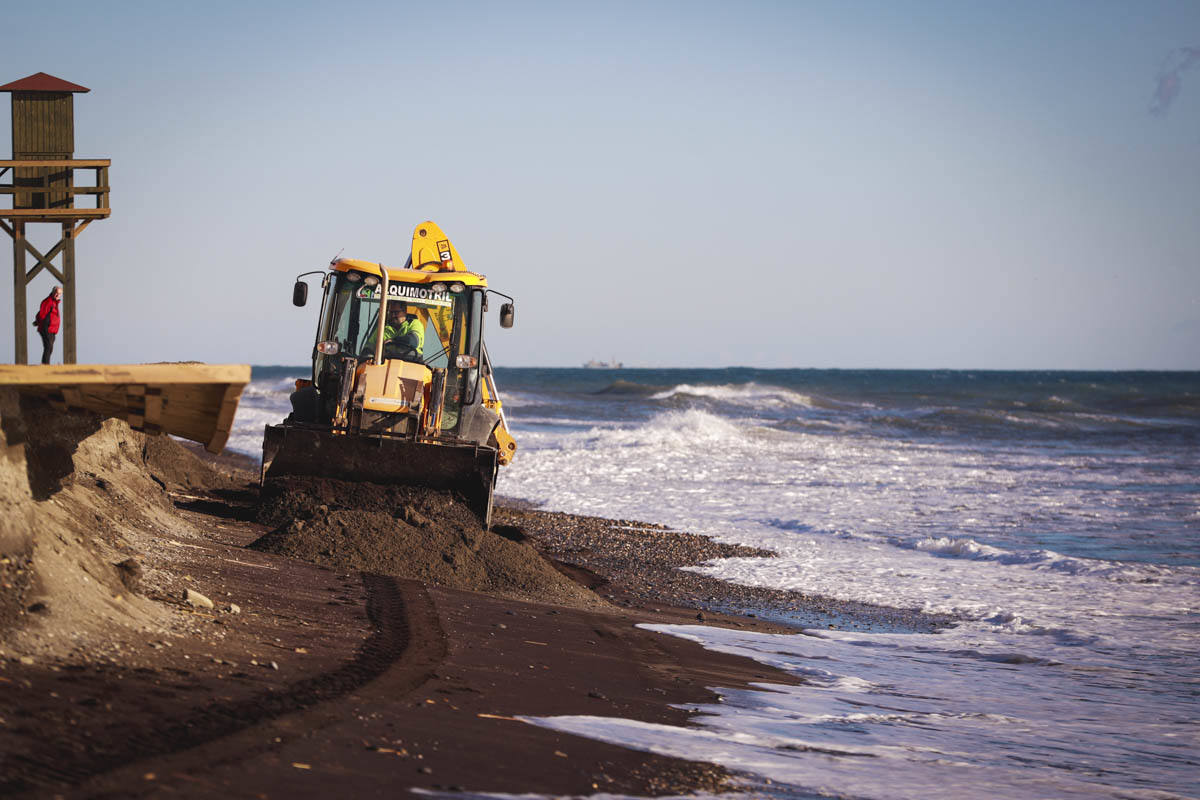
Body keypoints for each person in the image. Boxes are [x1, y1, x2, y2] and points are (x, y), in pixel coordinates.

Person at [32, 286, 62, 365]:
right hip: (46, 328)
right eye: (56, 293)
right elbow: (42, 314)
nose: (57, 295)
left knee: (50, 347)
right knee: (48, 346)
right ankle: (45, 365)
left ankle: (45, 364)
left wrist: (37, 321)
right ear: (52, 292)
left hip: (52, 330)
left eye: (59, 294)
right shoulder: (48, 302)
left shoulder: (54, 303)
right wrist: (39, 322)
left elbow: (41, 314)